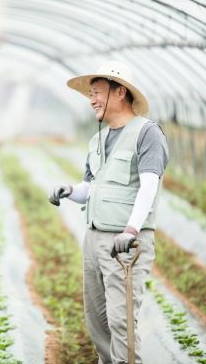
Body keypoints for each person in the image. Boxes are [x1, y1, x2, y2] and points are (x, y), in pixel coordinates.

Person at [48, 61, 169, 364]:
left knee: (121, 319)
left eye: (97, 92)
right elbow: (93, 186)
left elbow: (149, 186)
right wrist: (70, 191)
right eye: (90, 94)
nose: (91, 100)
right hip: (94, 239)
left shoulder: (147, 133)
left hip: (124, 243)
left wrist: (130, 231)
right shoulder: (98, 139)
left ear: (120, 92)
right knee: (97, 320)